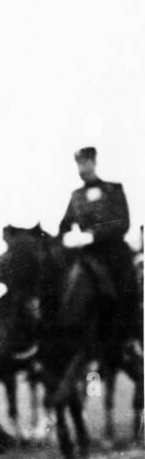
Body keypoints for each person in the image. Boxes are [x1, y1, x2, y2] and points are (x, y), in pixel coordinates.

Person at [57, 146, 141, 357]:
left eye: (85, 162)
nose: (82, 167)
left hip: (113, 252)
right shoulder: (76, 196)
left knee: (126, 284)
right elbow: (65, 225)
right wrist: (66, 237)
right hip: (86, 255)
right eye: (78, 163)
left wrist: (93, 235)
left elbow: (123, 223)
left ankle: (130, 336)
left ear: (94, 162)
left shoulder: (113, 190)